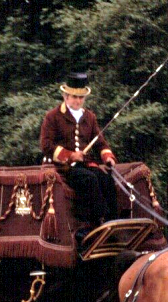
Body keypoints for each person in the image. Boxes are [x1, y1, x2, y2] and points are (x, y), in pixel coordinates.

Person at [40, 72, 119, 224]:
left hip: (85, 165)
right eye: (74, 97)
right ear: (66, 96)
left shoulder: (89, 117)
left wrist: (108, 157)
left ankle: (113, 222)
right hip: (63, 168)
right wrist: (70, 156)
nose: (78, 100)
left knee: (107, 180)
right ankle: (97, 222)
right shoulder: (53, 116)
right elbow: (46, 145)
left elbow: (100, 143)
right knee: (90, 179)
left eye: (81, 97)